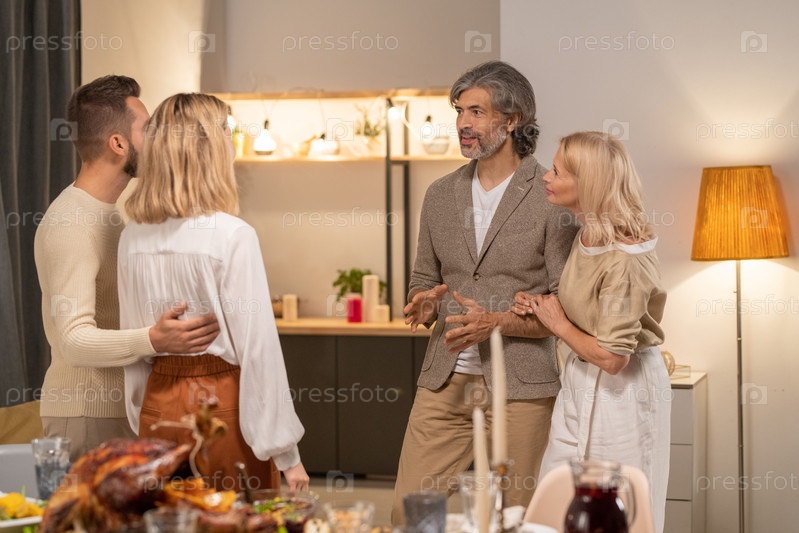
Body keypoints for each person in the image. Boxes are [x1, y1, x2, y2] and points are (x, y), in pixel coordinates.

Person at [392, 61, 579, 523]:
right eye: (459, 111)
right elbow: (423, 279)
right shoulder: (439, 194)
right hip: (444, 380)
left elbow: (564, 308)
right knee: (409, 514)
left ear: (512, 120)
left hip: (521, 388)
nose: (463, 123)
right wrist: (424, 303)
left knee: (515, 518)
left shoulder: (550, 196)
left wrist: (495, 322)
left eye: (476, 112)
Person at [118, 92, 309, 492]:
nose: (232, 142)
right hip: (221, 405)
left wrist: (141, 416)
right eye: (227, 131)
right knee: (236, 515)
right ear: (208, 148)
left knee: (170, 517)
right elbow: (258, 351)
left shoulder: (132, 236)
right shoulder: (232, 235)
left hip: (157, 404)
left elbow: (135, 344)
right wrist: (287, 456)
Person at [34, 75, 220, 462]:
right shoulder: (71, 222)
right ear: (118, 144)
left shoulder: (110, 218)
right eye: (148, 129)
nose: (159, 140)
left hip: (115, 411)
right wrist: (155, 339)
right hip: (86, 415)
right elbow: (73, 340)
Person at [513, 131, 670, 532]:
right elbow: (590, 310)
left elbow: (614, 358)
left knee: (621, 513)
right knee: (557, 507)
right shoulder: (587, 234)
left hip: (624, 392)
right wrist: (543, 306)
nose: (546, 177)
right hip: (580, 380)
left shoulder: (625, 256)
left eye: (556, 172)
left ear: (587, 183)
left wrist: (558, 323)